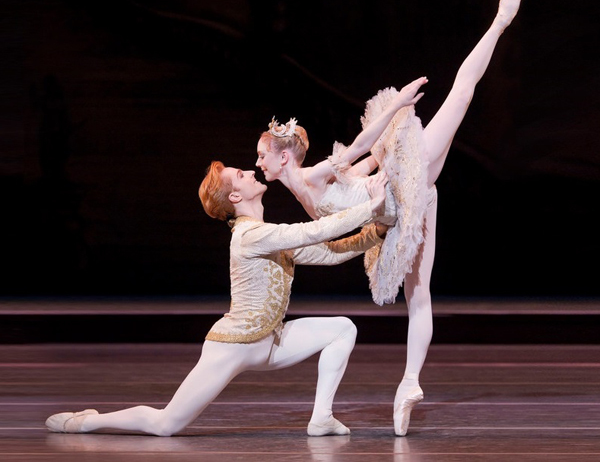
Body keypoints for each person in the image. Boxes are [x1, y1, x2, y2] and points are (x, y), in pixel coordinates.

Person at [255, 0, 524, 436]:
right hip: (397, 213)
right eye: (258, 158)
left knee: (460, 96)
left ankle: (500, 21)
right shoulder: (302, 191)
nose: (258, 163)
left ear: (283, 158)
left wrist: (395, 109)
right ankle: (408, 386)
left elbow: (358, 150)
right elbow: (347, 200)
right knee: (420, 298)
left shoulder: (311, 175)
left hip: (403, 189)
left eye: (261, 156)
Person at [45, 161, 389, 437]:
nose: (251, 171)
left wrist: (378, 231)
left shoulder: (269, 234)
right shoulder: (249, 235)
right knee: (167, 425)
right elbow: (314, 230)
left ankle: (321, 419)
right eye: (241, 175)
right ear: (235, 197)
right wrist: (372, 206)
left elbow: (329, 252)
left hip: (270, 342)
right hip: (233, 346)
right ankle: (89, 421)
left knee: (343, 328)